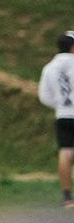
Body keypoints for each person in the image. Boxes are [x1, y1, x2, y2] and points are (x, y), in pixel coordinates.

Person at [41, 30, 74, 209]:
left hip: (63, 115)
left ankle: (68, 197)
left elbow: (44, 96)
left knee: (65, 152)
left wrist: (60, 106)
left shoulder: (49, 67)